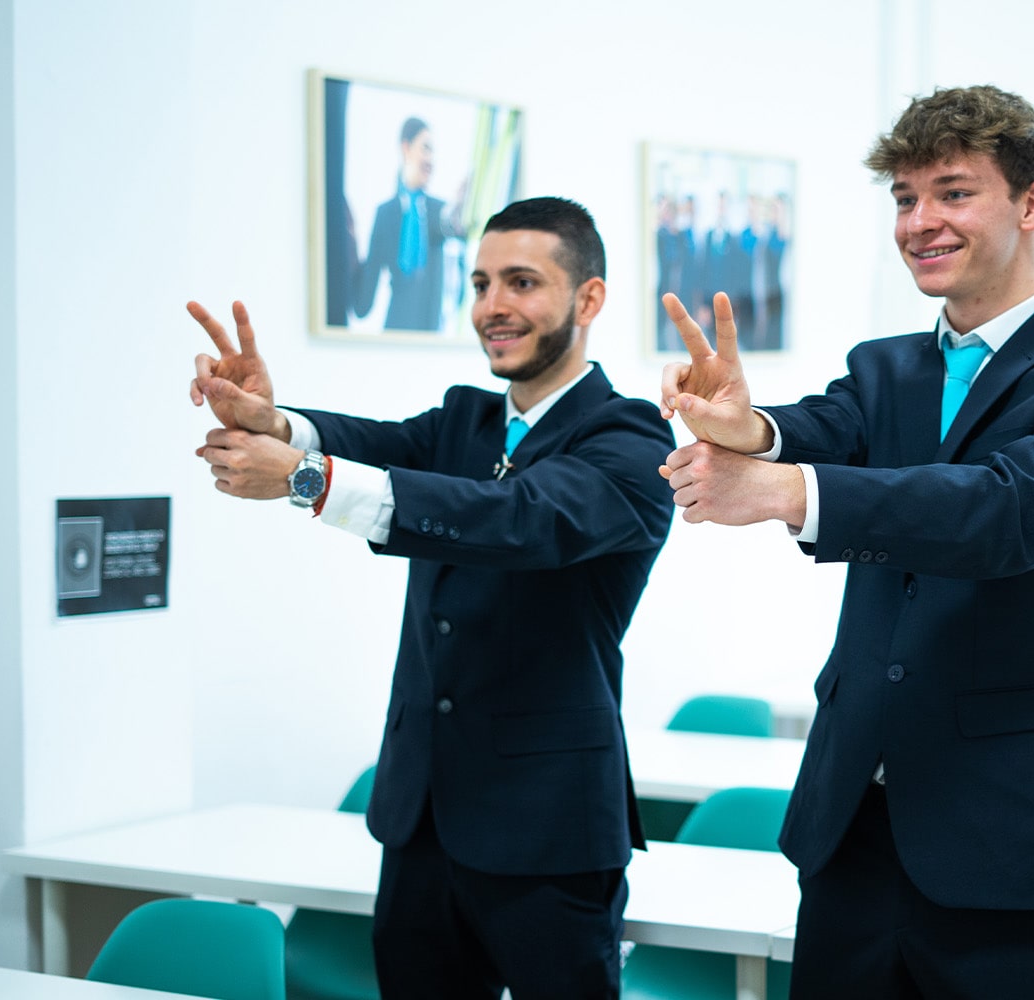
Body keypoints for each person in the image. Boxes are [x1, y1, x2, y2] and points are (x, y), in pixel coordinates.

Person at [656, 85, 1034, 998]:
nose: (919, 222)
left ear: (1033, 202)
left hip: (1015, 846)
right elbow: (819, 431)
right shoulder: (884, 366)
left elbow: (1000, 512)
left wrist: (781, 489)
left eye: (952, 191)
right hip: (851, 834)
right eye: (904, 198)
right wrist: (747, 431)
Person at [189, 196, 674, 998]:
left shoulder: (628, 439)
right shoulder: (465, 421)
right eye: (481, 283)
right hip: (422, 821)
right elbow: (375, 447)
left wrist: (307, 480)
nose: (494, 307)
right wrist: (274, 423)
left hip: (547, 828)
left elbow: (516, 521)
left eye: (522, 282)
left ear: (588, 300)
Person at [352, 116, 463, 331]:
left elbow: (454, 231)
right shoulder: (385, 214)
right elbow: (363, 304)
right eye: (426, 148)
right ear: (406, 148)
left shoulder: (441, 211)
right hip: (395, 330)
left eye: (433, 152)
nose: (431, 159)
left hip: (433, 333)